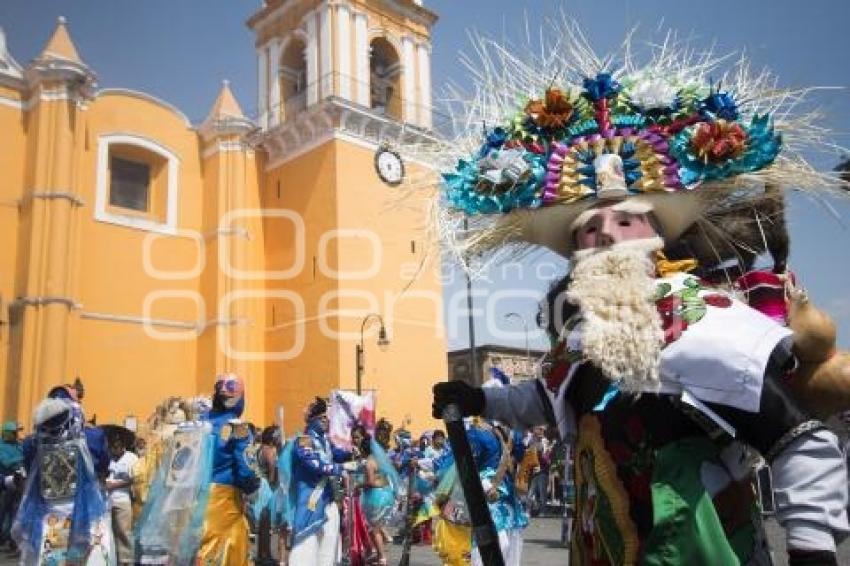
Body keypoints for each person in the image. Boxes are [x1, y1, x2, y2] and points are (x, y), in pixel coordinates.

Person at [430, 25, 850, 566]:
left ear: (654, 239)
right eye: (588, 227)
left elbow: (799, 439)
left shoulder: (700, 318)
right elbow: (548, 398)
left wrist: (811, 547)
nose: (604, 234)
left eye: (624, 221)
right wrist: (481, 400)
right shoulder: (581, 334)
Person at [13, 385, 112, 565]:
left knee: (52, 559)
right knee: (86, 555)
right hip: (87, 511)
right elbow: (103, 465)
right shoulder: (93, 437)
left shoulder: (32, 443)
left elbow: (29, 469)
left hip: (49, 512)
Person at [280, 397, 358, 566]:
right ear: (312, 419)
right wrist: (341, 468)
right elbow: (313, 464)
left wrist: (351, 450)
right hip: (311, 500)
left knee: (329, 546)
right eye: (323, 418)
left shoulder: (325, 441)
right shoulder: (304, 440)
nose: (326, 421)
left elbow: (337, 453)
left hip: (328, 499)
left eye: (327, 417)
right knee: (306, 543)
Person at [106, 437, 138, 565]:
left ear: (122, 447)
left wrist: (114, 485)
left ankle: (126, 562)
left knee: (124, 533)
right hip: (107, 500)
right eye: (111, 448)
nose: (114, 451)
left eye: (116, 448)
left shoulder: (132, 458)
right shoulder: (108, 457)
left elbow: (135, 478)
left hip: (123, 500)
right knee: (109, 533)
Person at [0, 421, 23, 551]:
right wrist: (21, 458)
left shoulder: (18, 445)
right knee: (3, 511)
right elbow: (6, 462)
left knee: (15, 511)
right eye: (15, 432)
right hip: (4, 483)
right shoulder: (1, 445)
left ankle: (12, 538)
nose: (17, 434)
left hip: (18, 482)